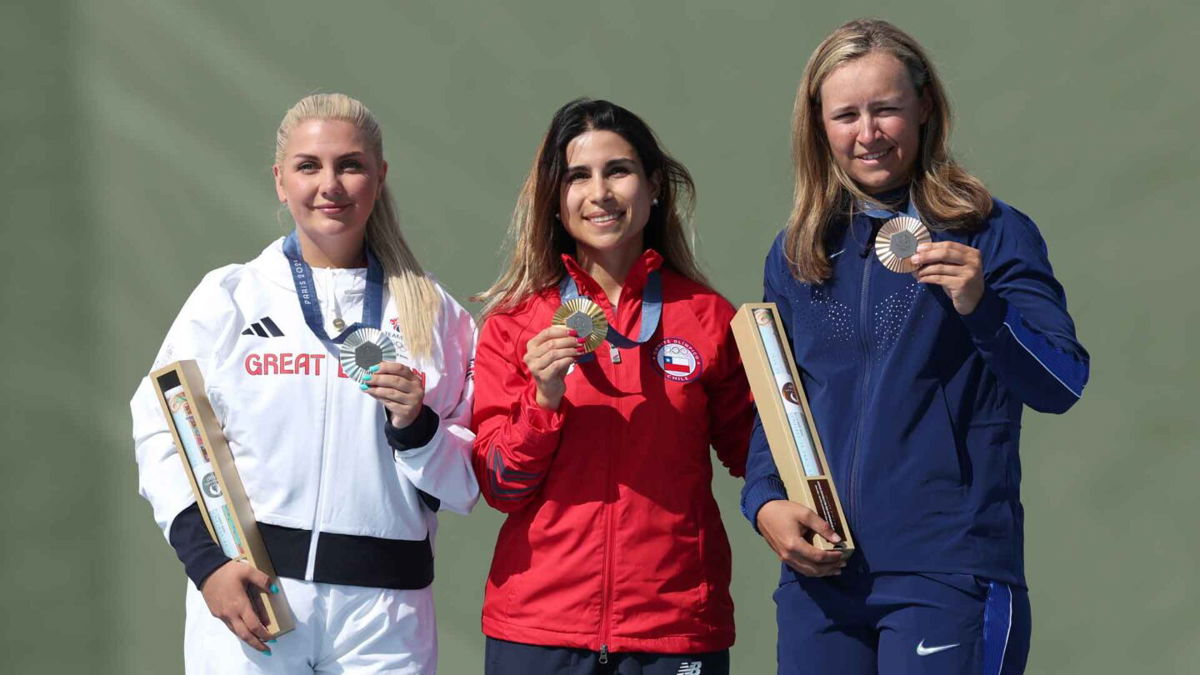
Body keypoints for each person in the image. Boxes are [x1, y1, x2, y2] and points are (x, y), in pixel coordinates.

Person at [741, 19, 1090, 675]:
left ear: (925, 107)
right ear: (819, 125)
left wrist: (983, 308)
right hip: (823, 580)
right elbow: (777, 398)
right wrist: (764, 501)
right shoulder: (798, 253)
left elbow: (1063, 384)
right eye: (846, 114)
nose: (867, 133)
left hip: (949, 573)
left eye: (886, 109)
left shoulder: (992, 233)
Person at [130, 93, 478, 673]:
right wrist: (207, 564)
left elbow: (468, 479)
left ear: (380, 176)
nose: (331, 184)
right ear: (279, 179)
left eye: (351, 164)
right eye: (308, 165)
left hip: (386, 612)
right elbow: (162, 432)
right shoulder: (230, 298)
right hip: (254, 599)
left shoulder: (432, 314)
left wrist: (418, 428)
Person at [471, 98, 753, 675]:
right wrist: (542, 398)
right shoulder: (516, 323)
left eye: (617, 171)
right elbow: (500, 485)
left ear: (653, 187)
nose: (599, 193)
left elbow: (759, 453)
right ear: (556, 200)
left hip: (674, 626)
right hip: (540, 627)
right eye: (578, 176)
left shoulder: (708, 318)